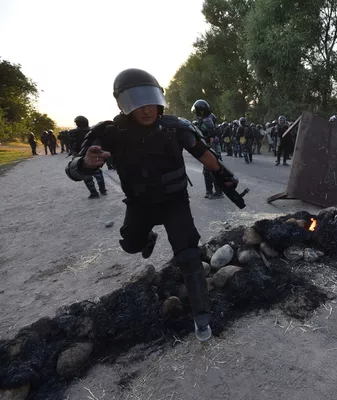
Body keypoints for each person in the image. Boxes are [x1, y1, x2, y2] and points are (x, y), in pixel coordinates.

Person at [65, 68, 240, 342]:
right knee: (131, 245)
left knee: (189, 255)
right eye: (137, 103)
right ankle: (147, 237)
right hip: (140, 204)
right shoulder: (110, 132)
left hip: (175, 201)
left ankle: (201, 316)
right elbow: (73, 170)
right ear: (123, 105)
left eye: (150, 101)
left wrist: (223, 175)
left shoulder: (175, 126)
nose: (146, 109)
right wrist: (85, 164)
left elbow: (203, 153)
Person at [69, 115, 107, 198]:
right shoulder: (93, 130)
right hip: (91, 155)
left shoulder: (74, 133)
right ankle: (102, 190)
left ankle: (94, 193)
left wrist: (74, 154)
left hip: (81, 156)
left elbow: (72, 145)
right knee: (97, 174)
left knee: (87, 175)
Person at [192, 99, 223, 199]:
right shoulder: (209, 117)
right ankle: (210, 191)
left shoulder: (207, 120)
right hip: (212, 147)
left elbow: (212, 137)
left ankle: (218, 192)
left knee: (212, 170)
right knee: (209, 170)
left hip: (211, 147)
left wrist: (208, 150)